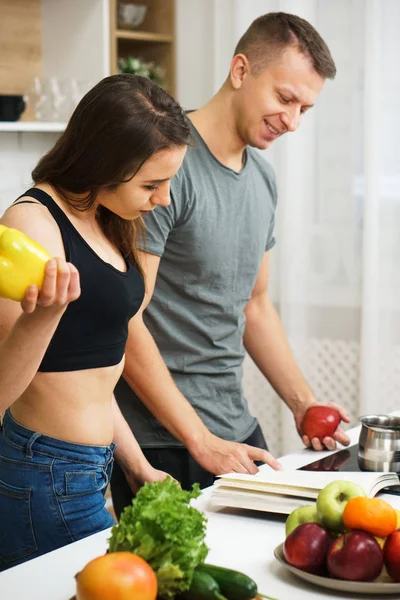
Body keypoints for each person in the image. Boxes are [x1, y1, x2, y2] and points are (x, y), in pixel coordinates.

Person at [111, 12, 351, 518]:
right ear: (241, 70)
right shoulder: (164, 168)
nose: (293, 122)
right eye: (285, 99)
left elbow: (256, 306)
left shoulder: (263, 179)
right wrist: (197, 439)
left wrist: (303, 403)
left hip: (235, 429)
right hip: (163, 441)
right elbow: (125, 320)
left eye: (305, 108)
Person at [0, 73, 190, 570]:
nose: (164, 199)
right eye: (153, 184)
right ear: (106, 166)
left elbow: (94, 378)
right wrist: (43, 318)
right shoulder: (31, 226)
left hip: (91, 469)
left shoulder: (108, 216)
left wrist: (138, 466)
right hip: (43, 474)